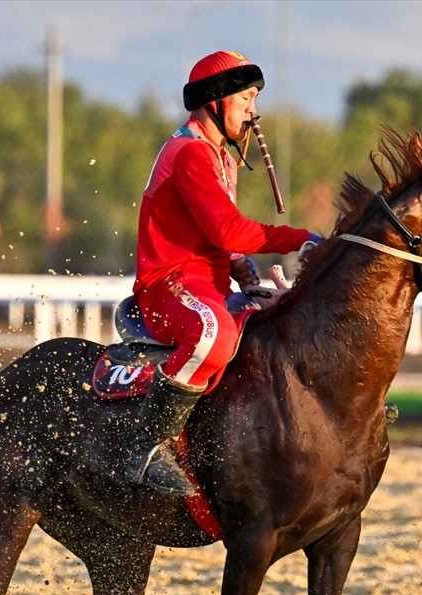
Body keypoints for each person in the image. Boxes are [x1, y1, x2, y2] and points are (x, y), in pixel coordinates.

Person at [126, 50, 321, 497]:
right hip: (167, 289)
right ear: (215, 100)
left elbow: (222, 240)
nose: (254, 110)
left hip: (207, 286)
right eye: (247, 97)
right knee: (213, 334)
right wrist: (302, 237)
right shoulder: (189, 154)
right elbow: (228, 227)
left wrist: (243, 271)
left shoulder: (222, 159)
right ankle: (147, 445)